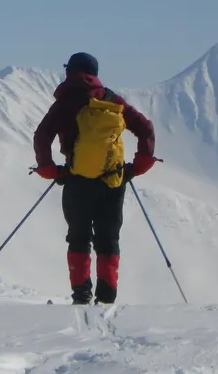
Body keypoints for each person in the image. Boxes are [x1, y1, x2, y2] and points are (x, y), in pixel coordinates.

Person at [32, 52, 157, 305]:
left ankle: (81, 295)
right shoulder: (112, 100)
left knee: (78, 236)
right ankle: (107, 297)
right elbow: (145, 129)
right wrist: (137, 166)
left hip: (77, 179)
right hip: (112, 181)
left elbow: (42, 135)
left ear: (71, 72)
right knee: (108, 238)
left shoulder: (66, 103)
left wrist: (50, 169)